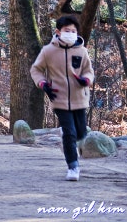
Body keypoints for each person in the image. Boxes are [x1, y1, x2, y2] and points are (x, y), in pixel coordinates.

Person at [30, 15, 94, 181]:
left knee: (81, 133)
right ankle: (73, 167)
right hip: (58, 98)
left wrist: (86, 79)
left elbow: (89, 71)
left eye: (73, 31)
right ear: (58, 32)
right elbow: (35, 70)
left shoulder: (82, 50)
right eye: (67, 31)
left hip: (80, 98)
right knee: (70, 132)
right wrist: (43, 83)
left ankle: (66, 141)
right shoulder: (48, 51)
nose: (71, 33)